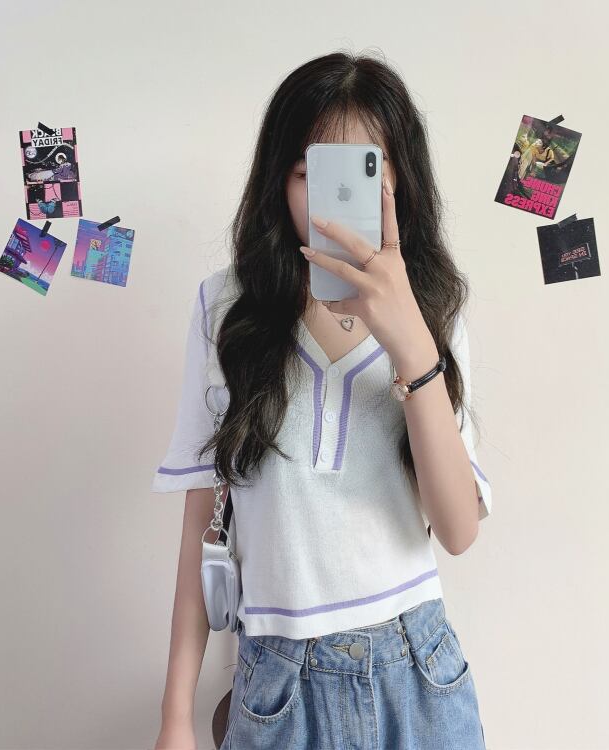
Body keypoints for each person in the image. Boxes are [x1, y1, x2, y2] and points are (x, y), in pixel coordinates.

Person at [152, 50, 493, 750]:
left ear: (399, 180)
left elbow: (458, 531)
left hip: (417, 677)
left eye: (362, 172)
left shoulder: (435, 310)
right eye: (310, 174)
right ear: (280, 180)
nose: (332, 200)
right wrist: (175, 716)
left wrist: (412, 346)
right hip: (276, 682)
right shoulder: (226, 310)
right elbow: (198, 521)